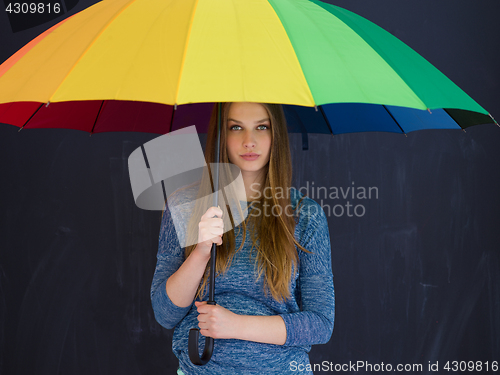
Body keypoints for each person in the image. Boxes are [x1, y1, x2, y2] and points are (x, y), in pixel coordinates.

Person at [151, 102, 334, 374]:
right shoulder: (184, 205)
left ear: (276, 136)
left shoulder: (305, 215)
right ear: (220, 136)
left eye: (262, 127)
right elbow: (165, 314)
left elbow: (320, 324)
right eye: (236, 127)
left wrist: (236, 325)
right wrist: (200, 251)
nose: (249, 141)